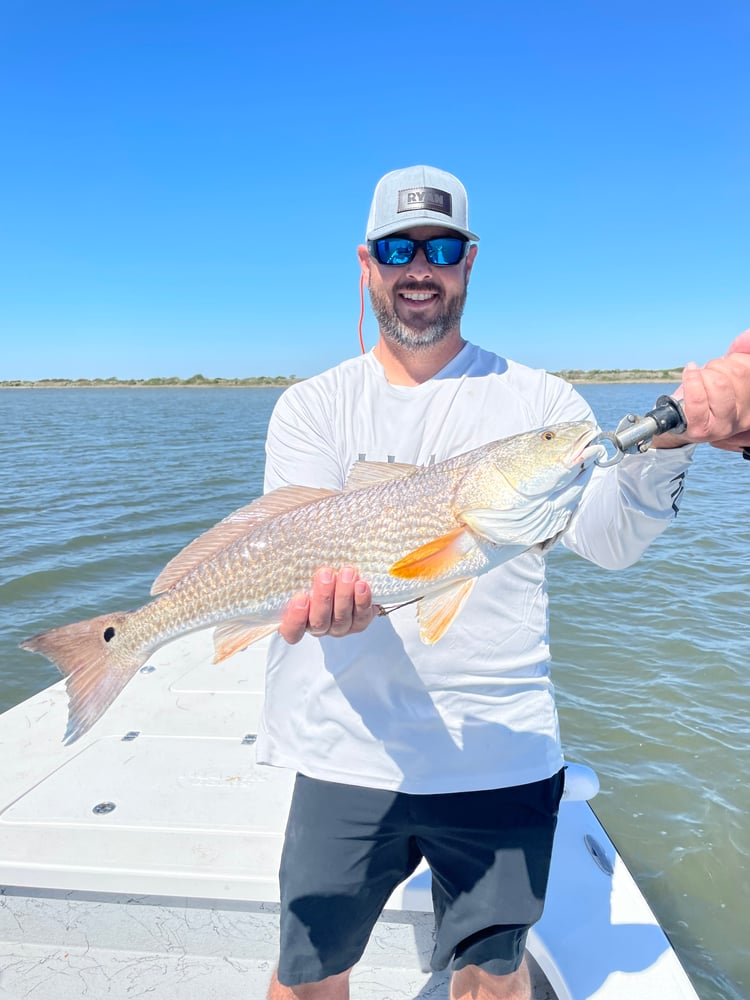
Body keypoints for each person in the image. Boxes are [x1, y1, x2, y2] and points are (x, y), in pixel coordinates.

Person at [260, 165, 750, 1000]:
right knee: (311, 976)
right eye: (399, 248)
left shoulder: (540, 400)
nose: (421, 267)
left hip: (501, 749)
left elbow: (606, 538)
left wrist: (672, 445)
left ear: (470, 262)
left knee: (493, 974)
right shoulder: (312, 407)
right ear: (367, 261)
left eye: (442, 247)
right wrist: (317, 602)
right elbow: (291, 546)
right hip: (345, 748)